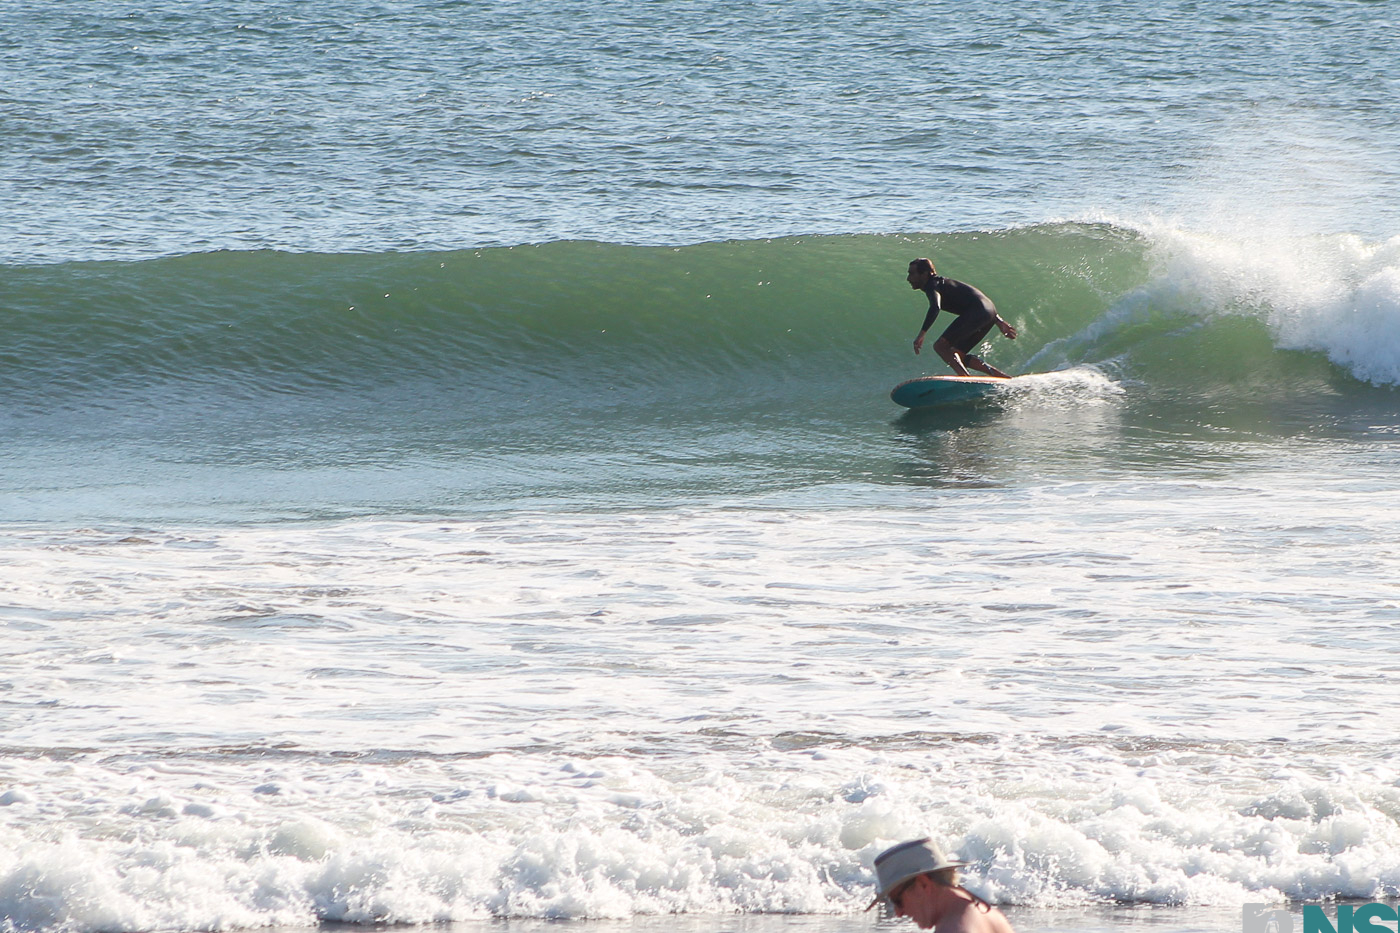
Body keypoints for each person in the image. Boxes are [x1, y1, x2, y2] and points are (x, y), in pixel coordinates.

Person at [866, 837, 1016, 933]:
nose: (898, 912)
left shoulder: (952, 929)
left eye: (898, 901)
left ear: (923, 884)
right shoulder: (992, 916)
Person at [906, 258, 1017, 377]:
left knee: (940, 346)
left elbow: (935, 307)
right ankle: (1005, 379)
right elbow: (975, 297)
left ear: (924, 274)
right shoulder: (942, 283)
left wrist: (922, 334)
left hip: (979, 311)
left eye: (912, 274)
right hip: (989, 311)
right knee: (957, 354)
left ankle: (965, 378)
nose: (908, 278)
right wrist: (999, 321)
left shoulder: (932, 285)